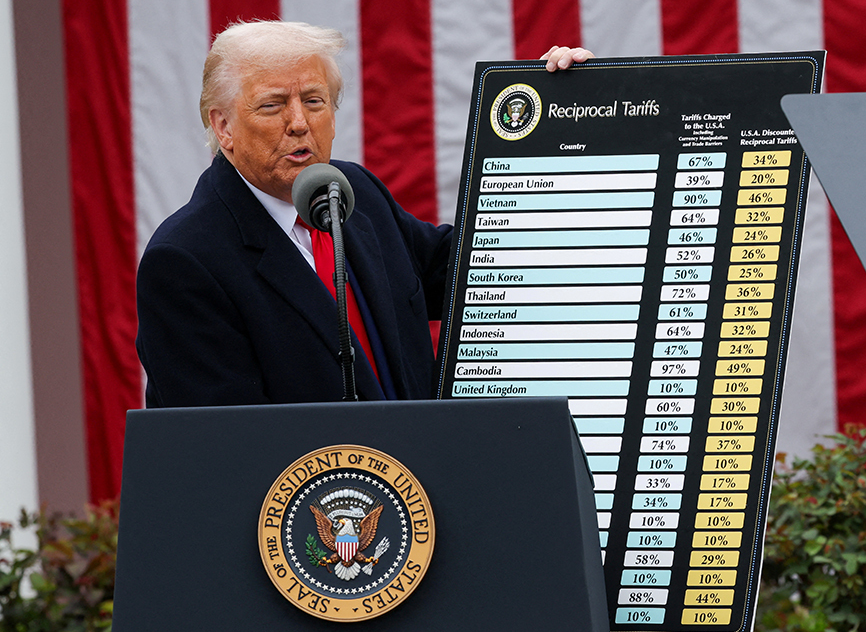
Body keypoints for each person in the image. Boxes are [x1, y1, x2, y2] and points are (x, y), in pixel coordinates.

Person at [135, 20, 591, 408]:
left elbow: (471, 268)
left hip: (426, 491)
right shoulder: (186, 261)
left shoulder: (353, 193)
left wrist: (559, 121)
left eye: (313, 101)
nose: (298, 122)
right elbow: (225, 450)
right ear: (223, 127)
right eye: (273, 105)